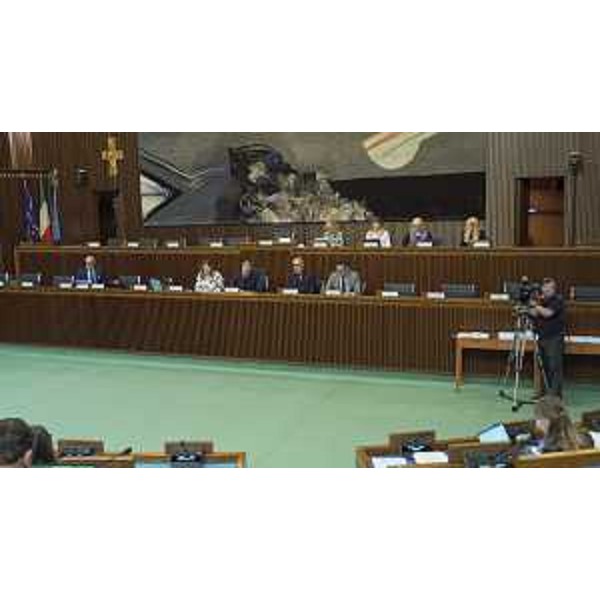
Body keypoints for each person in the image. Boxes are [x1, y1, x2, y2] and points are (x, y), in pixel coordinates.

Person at [529, 278, 565, 397]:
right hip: (542, 337)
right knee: (543, 367)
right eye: (544, 289)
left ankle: (555, 396)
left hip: (554, 338)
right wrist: (528, 309)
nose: (545, 291)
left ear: (553, 289)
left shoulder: (558, 300)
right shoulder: (542, 301)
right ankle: (544, 394)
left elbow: (548, 313)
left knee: (554, 367)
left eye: (548, 289)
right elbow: (535, 313)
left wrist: (536, 306)